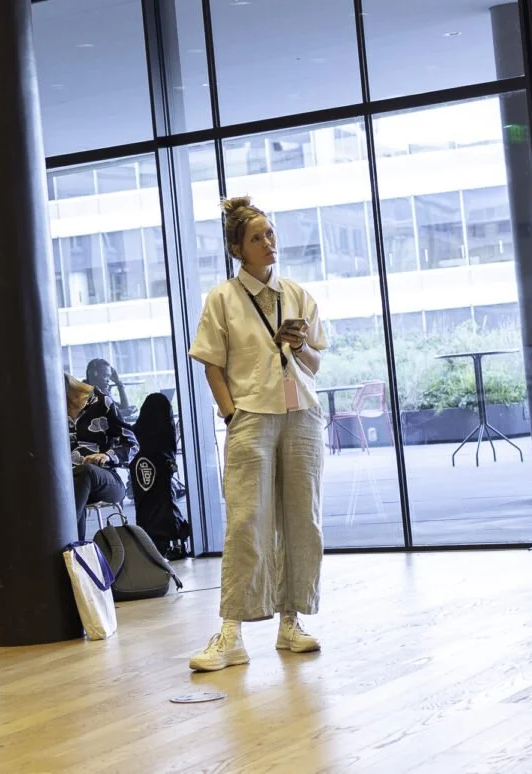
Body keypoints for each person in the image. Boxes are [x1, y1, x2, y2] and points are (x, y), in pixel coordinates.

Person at [186, 195, 328, 672]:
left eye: (270, 234)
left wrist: (301, 343)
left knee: (301, 520)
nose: (269, 243)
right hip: (251, 416)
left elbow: (314, 365)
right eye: (256, 238)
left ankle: (292, 622)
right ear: (236, 249)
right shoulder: (222, 299)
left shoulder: (297, 293)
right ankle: (231, 631)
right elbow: (212, 365)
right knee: (246, 522)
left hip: (301, 414)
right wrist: (231, 416)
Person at [66, 373, 139, 541]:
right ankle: (72, 552)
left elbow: (132, 444)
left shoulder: (102, 402)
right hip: (70, 485)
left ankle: (66, 540)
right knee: (68, 490)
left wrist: (107, 455)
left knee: (85, 472)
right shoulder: (54, 410)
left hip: (105, 480)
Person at [130, 392, 189, 560]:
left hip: (144, 512)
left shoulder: (136, 436)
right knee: (165, 503)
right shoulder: (164, 438)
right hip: (163, 504)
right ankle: (173, 542)